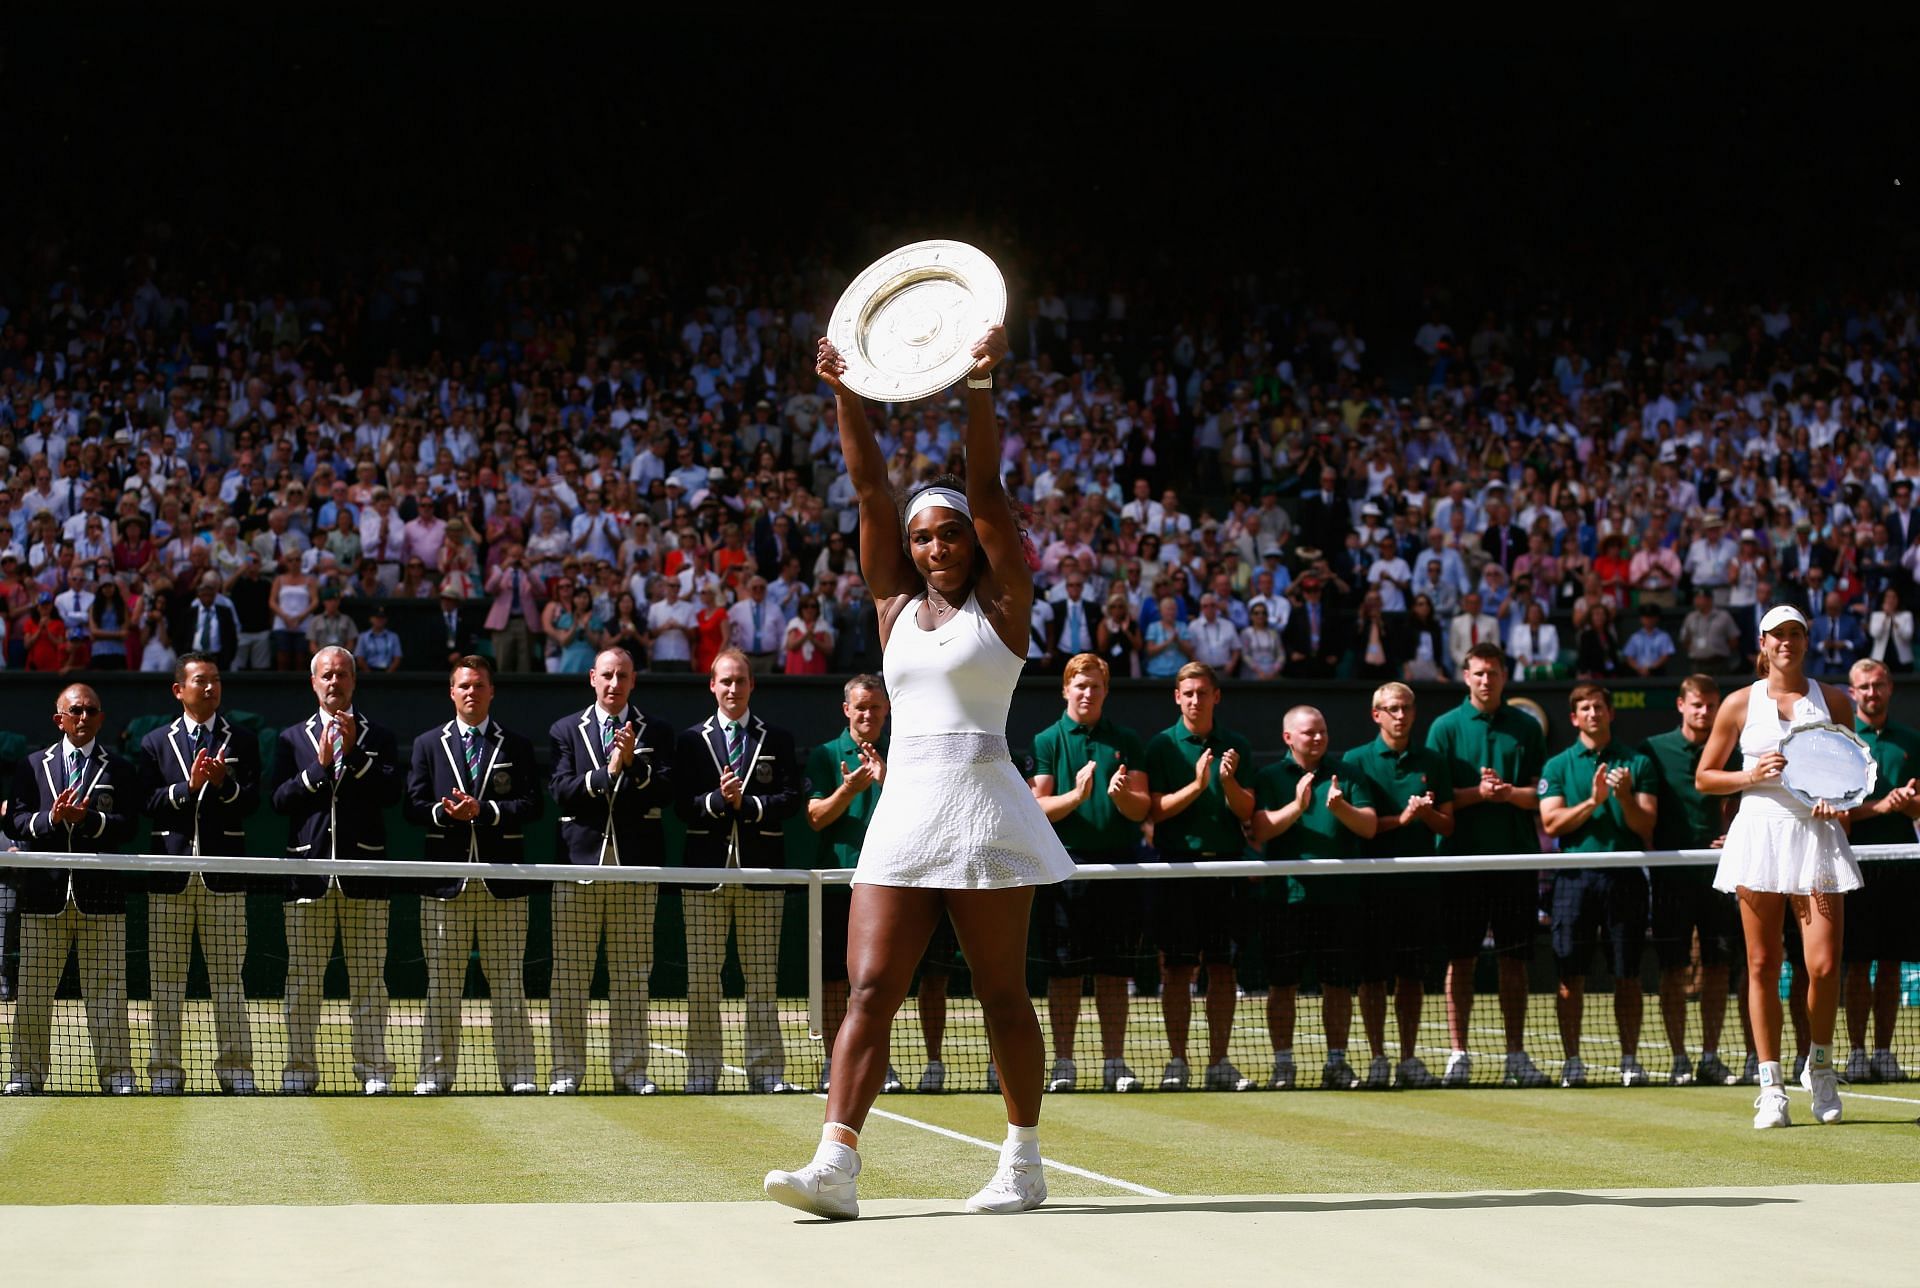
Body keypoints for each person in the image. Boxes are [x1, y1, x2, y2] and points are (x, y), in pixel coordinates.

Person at [766, 327, 1073, 1221]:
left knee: (1003, 994)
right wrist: (844, 391)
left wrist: (977, 384)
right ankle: (836, 1164)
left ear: (974, 545)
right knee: (868, 989)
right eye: (923, 537)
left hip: (984, 809)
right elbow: (870, 488)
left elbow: (987, 489)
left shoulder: (1005, 603)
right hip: (904, 810)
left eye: (950, 535)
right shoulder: (894, 605)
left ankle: (1022, 1160)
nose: (937, 545)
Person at [1695, 604, 1864, 1128]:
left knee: (1823, 966)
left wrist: (1838, 804)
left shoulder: (1834, 699)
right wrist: (1750, 776)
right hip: (1759, 833)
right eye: (1777, 635)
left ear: (1806, 641)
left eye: (1795, 633)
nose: (1786, 642)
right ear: (1763, 644)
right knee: (1763, 964)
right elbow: (1705, 777)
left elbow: (1851, 777)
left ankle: (1821, 1066)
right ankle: (1771, 1087)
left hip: (1817, 837)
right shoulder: (1739, 703)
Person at [404, 657, 543, 1094]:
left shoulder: (515, 746)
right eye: (463, 685)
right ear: (452, 692)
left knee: (508, 985)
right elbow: (412, 806)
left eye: (479, 685)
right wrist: (445, 814)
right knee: (442, 986)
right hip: (446, 886)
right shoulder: (428, 743)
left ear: (491, 692)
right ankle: (435, 1075)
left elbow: (533, 806)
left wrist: (486, 811)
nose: (471, 692)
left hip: (503, 884)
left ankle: (519, 1075)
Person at [271, 645, 405, 1094]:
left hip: (364, 876)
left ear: (354, 681)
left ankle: (373, 1071)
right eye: (327, 675)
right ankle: (299, 1072)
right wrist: (320, 766)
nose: (335, 682)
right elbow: (280, 800)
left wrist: (356, 754)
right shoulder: (291, 738)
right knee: (303, 984)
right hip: (306, 877)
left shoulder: (380, 736)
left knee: (369, 984)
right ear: (314, 682)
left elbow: (392, 793)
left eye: (343, 675)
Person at [674, 649, 803, 1094]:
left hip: (762, 874)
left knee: (762, 978)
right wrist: (716, 801)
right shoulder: (690, 740)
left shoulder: (778, 738)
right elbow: (681, 804)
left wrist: (746, 805)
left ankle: (766, 1072)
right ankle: (702, 1073)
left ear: (752, 686)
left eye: (740, 681)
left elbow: (789, 799)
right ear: (712, 685)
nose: (732, 689)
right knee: (703, 979)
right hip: (705, 875)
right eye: (725, 681)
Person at [547, 646, 673, 1095]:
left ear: (633, 680)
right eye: (607, 675)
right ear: (592, 678)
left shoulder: (656, 730)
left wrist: (634, 765)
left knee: (632, 977)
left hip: (635, 871)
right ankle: (566, 1072)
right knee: (569, 978)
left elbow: (663, 791)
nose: (614, 683)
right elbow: (562, 791)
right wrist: (608, 772)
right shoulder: (564, 730)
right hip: (577, 869)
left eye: (622, 675)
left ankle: (631, 1071)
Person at [1426, 643, 1552, 1087]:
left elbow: (1541, 793)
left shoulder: (1526, 728)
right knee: (1460, 960)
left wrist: (1507, 794)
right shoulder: (1443, 729)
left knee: (1514, 962)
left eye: (1492, 673)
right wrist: (1477, 794)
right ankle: (1458, 1053)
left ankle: (1516, 1054)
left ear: (1504, 676)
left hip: (1515, 862)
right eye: (1478, 673)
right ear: (1466, 677)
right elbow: (1437, 800)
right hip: (1460, 865)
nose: (1485, 680)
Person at [138, 653, 261, 1094]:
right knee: (166, 982)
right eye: (199, 681)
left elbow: (251, 803)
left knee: (228, 980)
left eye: (216, 680)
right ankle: (166, 1073)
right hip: (170, 876)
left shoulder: (242, 740)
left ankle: (236, 1071)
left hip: (223, 877)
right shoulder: (154, 742)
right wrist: (185, 789)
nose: (209, 687)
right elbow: (146, 804)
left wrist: (224, 784)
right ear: (179, 690)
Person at [1027, 653, 1151, 1093]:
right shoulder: (1047, 740)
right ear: (1065, 689)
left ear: (1105, 691)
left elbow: (1142, 807)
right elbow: (1037, 807)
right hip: (1064, 871)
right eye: (1080, 685)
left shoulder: (1126, 739)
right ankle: (1063, 1062)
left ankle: (1114, 1062)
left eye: (1095, 686)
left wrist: (1121, 798)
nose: (1087, 693)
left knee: (1115, 972)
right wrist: (1077, 796)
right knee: (1064, 973)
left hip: (1119, 869)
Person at [5, 684, 137, 1093]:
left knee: (108, 995)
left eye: (91, 711)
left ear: (101, 717)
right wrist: (51, 819)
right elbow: (15, 821)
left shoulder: (120, 766)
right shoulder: (31, 765)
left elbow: (129, 826)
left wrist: (89, 820)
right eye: (75, 710)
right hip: (43, 898)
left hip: (102, 898)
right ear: (58, 718)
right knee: (32, 995)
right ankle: (25, 1075)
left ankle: (117, 1077)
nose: (83, 717)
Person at [1251, 705, 1382, 1089]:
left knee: (1338, 985)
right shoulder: (1271, 777)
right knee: (1283, 984)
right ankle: (1283, 1064)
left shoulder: (1348, 774)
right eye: (1309, 733)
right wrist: (1297, 807)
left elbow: (1370, 826)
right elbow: (1260, 830)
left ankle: (1337, 1062)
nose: (1318, 738)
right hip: (1284, 899)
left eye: (1322, 731)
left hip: (1339, 898)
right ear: (1288, 737)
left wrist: (1340, 806)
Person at [1538, 684, 1658, 1087]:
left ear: (1610, 712)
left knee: (1627, 974)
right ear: (1574, 717)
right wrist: (1593, 801)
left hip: (1624, 876)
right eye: (1585, 708)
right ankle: (1573, 1061)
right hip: (1573, 877)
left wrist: (1623, 799)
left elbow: (1646, 826)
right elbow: (1552, 824)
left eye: (1599, 707)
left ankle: (1629, 1060)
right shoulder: (1557, 766)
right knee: (1570, 974)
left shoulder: (1637, 762)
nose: (1593, 714)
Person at [1144, 661, 1256, 1091]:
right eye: (1188, 693)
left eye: (1202, 693)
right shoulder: (1161, 747)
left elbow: (1247, 811)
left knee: (1223, 970)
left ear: (1216, 697)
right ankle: (1177, 1061)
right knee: (1176, 970)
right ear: (1177, 697)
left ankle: (1219, 1062)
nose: (1195, 700)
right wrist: (1196, 784)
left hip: (1226, 868)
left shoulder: (1236, 744)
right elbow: (1154, 810)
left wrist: (1226, 783)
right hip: (1177, 869)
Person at [807, 674, 917, 1093]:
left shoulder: (904, 754)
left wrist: (887, 778)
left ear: (887, 711)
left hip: (891, 883)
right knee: (836, 981)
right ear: (847, 710)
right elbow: (816, 816)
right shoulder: (825, 755)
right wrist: (850, 789)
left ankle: (878, 1065)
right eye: (861, 707)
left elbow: (917, 813)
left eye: (876, 707)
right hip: (838, 885)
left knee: (880, 982)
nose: (868, 714)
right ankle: (834, 1063)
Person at [1343, 682, 1456, 1088]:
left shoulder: (1433, 761)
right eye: (1391, 708)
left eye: (1406, 707)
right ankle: (1377, 1058)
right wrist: (1401, 820)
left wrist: (1424, 816)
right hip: (1371, 886)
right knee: (1372, 978)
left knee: (1411, 976)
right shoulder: (1354, 761)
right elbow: (1363, 826)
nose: (1400, 715)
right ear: (1376, 714)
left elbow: (1448, 822)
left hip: (1420, 886)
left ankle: (1408, 1058)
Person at [1642, 675, 1746, 1087]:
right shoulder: (1652, 749)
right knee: (1672, 970)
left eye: (1711, 705)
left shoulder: (1731, 751)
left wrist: (1735, 833)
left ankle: (1710, 1057)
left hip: (1720, 875)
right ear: (1681, 704)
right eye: (1697, 704)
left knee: (1720, 968)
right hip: (1671, 877)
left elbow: (1748, 802)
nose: (1704, 712)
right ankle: (1680, 1059)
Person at [1840, 658, 1920, 1083]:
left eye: (1879, 685)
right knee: (1857, 965)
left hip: (1904, 866)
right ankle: (1855, 1053)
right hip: (1854, 865)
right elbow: (1837, 809)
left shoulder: (1912, 741)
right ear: (1853, 693)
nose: (1872, 693)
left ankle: (1885, 1053)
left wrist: (1911, 806)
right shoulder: (1841, 741)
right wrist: (1880, 807)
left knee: (1890, 965)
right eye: (1864, 687)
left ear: (1890, 688)